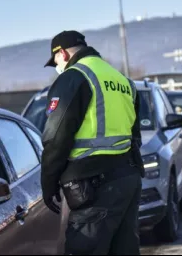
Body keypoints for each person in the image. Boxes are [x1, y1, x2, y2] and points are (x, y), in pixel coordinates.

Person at [41, 30, 144, 255]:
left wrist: (48, 184)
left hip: (94, 187)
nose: (57, 66)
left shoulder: (73, 77)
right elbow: (135, 136)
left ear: (63, 54)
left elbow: (56, 138)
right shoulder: (122, 80)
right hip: (128, 179)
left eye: (55, 60)